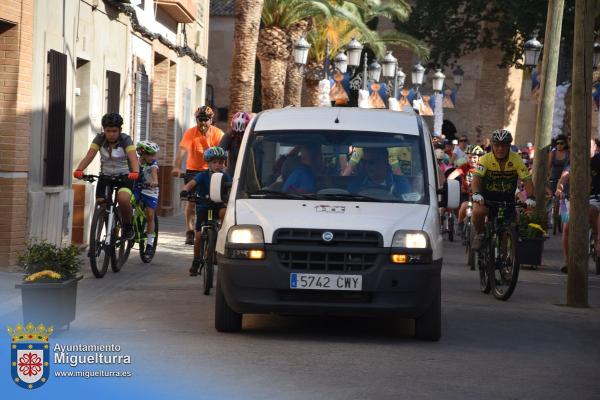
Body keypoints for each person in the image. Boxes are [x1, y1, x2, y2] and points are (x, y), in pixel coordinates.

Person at [73, 112, 139, 240]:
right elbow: (89, 156)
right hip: (106, 176)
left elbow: (133, 158)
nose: (111, 134)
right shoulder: (99, 139)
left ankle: (127, 226)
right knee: (100, 203)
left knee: (123, 199)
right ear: (104, 130)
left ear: (120, 130)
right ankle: (103, 233)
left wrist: (135, 172)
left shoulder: (126, 140)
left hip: (125, 176)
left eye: (114, 131)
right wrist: (79, 169)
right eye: (108, 131)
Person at [470, 129, 536, 250]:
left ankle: (506, 262)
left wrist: (531, 197)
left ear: (508, 146)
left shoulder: (516, 159)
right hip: (487, 196)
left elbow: (526, 179)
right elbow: (476, 179)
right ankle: (480, 234)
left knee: (508, 229)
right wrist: (476, 193)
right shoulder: (485, 159)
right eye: (497, 145)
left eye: (504, 145)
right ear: (492, 146)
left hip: (507, 197)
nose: (500, 149)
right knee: (478, 211)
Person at [172, 106, 224, 245]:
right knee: (191, 202)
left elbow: (224, 154)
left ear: (211, 120)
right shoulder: (191, 132)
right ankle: (189, 231)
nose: (202, 123)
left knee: (216, 200)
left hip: (213, 171)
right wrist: (176, 167)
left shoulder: (218, 134)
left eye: (206, 120)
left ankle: (215, 229)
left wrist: (225, 169)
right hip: (193, 170)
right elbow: (182, 151)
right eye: (200, 120)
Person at [180, 147, 231, 276]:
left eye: (220, 162)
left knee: (224, 213)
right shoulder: (202, 175)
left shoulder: (225, 176)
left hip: (218, 206)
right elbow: (191, 184)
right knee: (198, 237)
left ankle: (222, 235)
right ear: (208, 163)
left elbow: (231, 186)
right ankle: (196, 261)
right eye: (214, 162)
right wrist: (185, 190)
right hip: (204, 206)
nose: (218, 165)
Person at [556, 138, 600, 273]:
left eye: (590, 146)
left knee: (593, 212)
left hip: (594, 199)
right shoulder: (575, 161)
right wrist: (559, 188)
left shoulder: (598, 161)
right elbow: (564, 176)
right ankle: (568, 261)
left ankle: (598, 242)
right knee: (566, 226)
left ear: (595, 148)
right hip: (571, 201)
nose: (586, 149)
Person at [447, 145, 485, 233]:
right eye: (470, 157)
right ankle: (460, 223)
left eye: (474, 157)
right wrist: (449, 182)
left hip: (479, 194)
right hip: (466, 193)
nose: (472, 160)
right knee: (465, 205)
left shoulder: (482, 168)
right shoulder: (464, 167)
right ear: (467, 157)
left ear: (480, 158)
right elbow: (452, 176)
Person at [347, 148, 411, 197]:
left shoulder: (399, 182)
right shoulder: (357, 183)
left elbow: (408, 205)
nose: (367, 166)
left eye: (371, 162)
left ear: (384, 162)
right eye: (364, 162)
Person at [134, 141, 160, 256]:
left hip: (150, 190)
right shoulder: (135, 162)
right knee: (129, 205)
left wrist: (154, 182)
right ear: (142, 154)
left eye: (154, 155)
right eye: (150, 155)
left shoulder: (153, 164)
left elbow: (154, 176)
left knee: (150, 215)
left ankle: (149, 244)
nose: (153, 157)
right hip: (137, 188)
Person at [220, 111, 252, 175]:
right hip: (232, 174)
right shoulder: (229, 135)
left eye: (242, 133)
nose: (239, 136)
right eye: (237, 133)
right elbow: (220, 151)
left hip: (248, 174)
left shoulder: (252, 137)